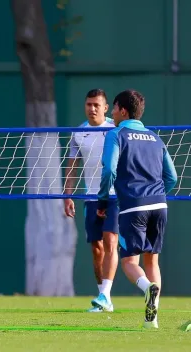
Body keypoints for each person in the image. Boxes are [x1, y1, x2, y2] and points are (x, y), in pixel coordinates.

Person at [97, 89, 177, 329]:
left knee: (129, 262)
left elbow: (109, 170)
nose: (111, 113)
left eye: (113, 108)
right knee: (152, 261)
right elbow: (171, 177)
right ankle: (152, 320)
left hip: (133, 205)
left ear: (123, 110)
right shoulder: (155, 138)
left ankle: (147, 288)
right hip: (159, 203)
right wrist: (158, 194)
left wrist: (103, 199)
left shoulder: (116, 134)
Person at [64, 89, 118, 312]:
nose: (92, 108)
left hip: (115, 196)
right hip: (91, 197)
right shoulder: (79, 132)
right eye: (89, 104)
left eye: (97, 105)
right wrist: (67, 195)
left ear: (106, 108)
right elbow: (71, 166)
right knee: (96, 248)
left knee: (110, 241)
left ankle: (106, 294)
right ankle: (102, 297)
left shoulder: (116, 130)